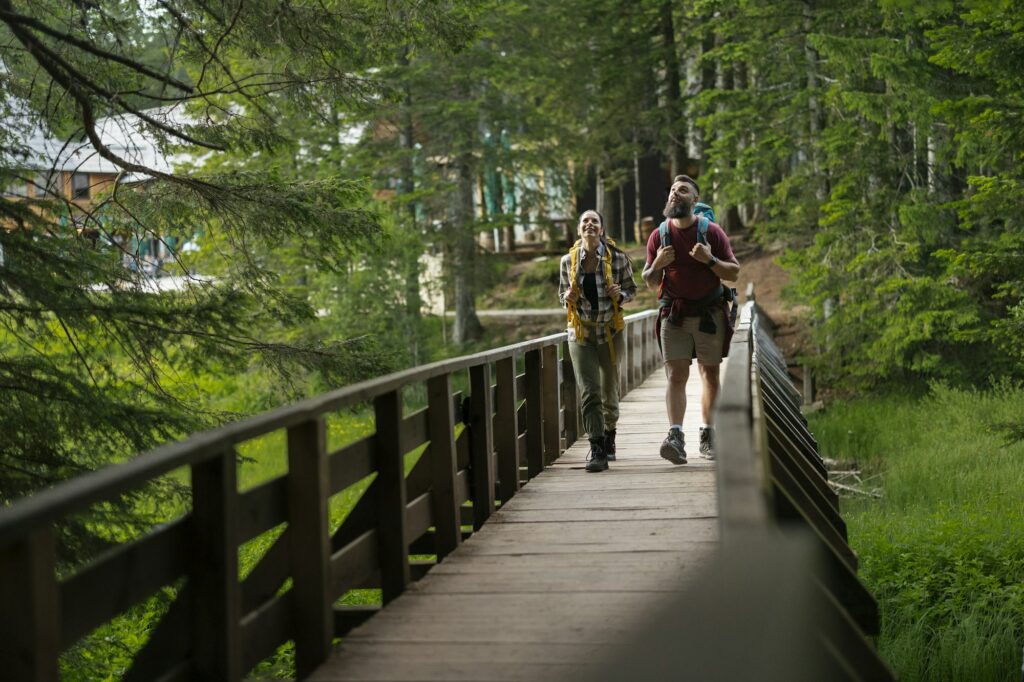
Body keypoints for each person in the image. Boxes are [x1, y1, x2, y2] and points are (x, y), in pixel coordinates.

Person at [642, 175, 740, 464]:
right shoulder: (659, 235)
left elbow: (733, 273)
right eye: (672, 189)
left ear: (694, 200)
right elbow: (649, 281)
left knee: (709, 374)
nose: (675, 193)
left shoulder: (712, 232)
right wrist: (657, 265)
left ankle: (709, 435)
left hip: (709, 313)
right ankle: (675, 436)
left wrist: (709, 260)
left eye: (683, 190)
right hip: (674, 315)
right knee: (676, 375)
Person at [559, 210, 637, 472]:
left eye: (595, 221)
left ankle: (610, 433)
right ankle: (597, 448)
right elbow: (562, 296)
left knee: (609, 390)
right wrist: (567, 297)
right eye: (585, 222)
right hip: (581, 332)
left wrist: (621, 293)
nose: (589, 224)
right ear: (579, 230)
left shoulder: (617, 258)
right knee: (589, 391)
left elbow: (632, 289)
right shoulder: (567, 262)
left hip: (610, 332)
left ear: (601, 230)